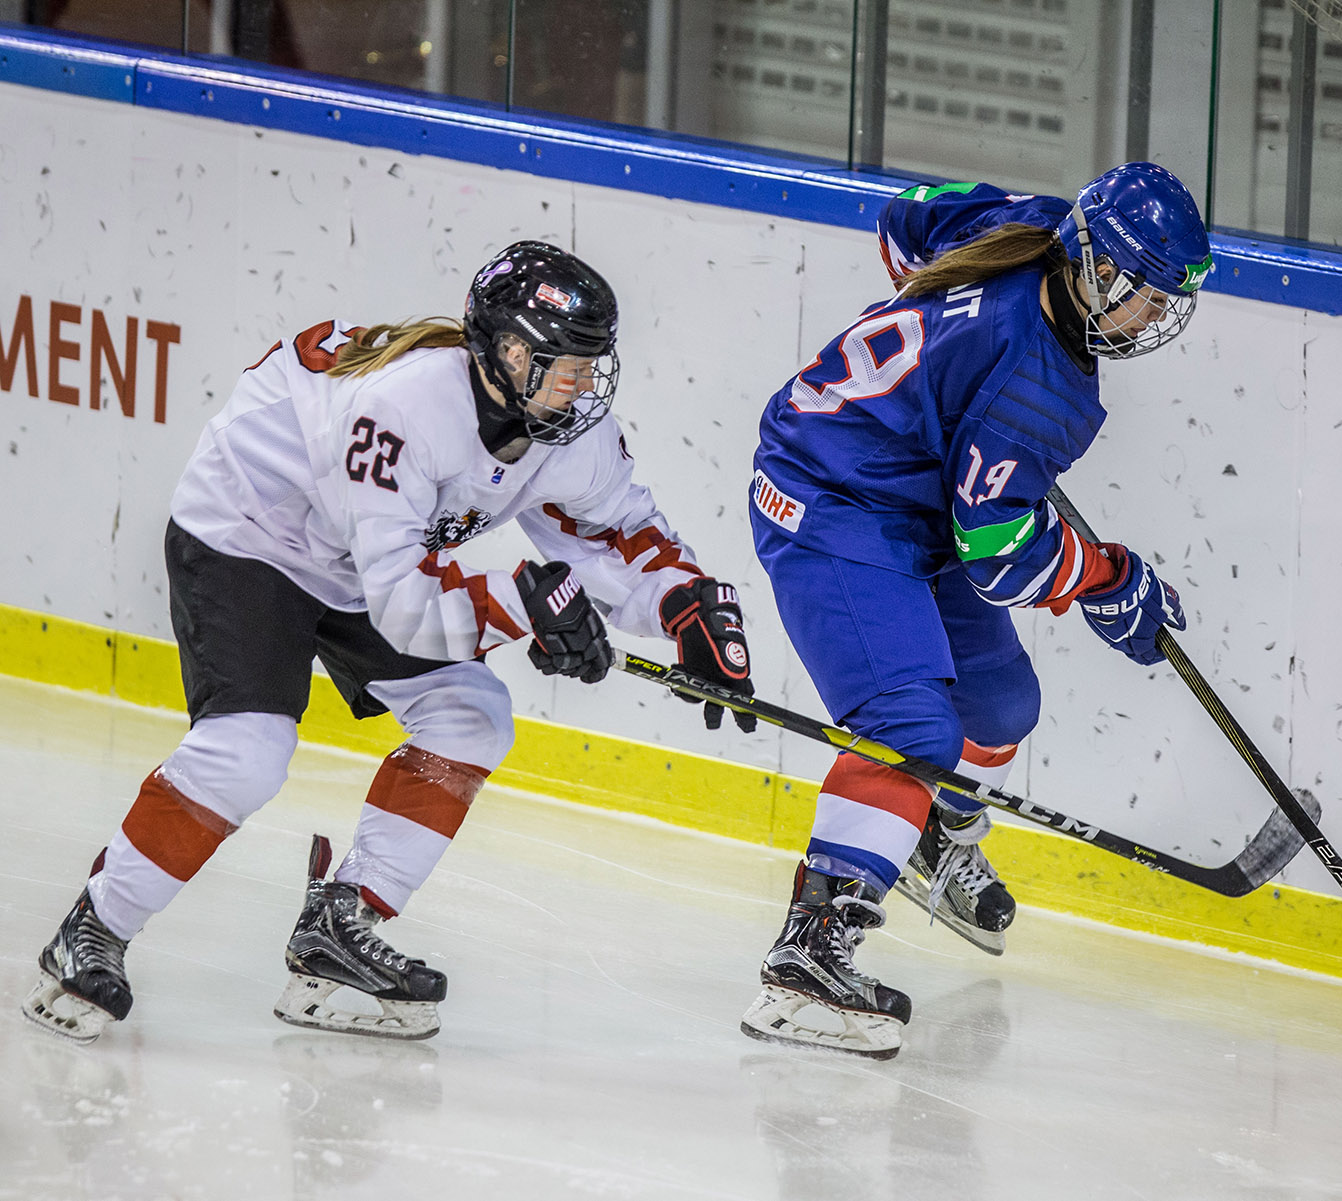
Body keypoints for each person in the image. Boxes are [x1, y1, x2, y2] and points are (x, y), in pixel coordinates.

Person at [21, 240, 755, 1044]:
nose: (585, 385)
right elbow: (403, 608)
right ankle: (93, 924)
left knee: (471, 717)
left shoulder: (561, 424)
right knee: (247, 752)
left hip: (361, 558)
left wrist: (684, 602)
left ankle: (339, 923)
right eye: (566, 361)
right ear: (508, 351)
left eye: (593, 364)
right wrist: (523, 604)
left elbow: (618, 532)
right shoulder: (404, 408)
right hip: (252, 534)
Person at [741, 163, 1213, 1058]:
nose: (1156, 320)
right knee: (912, 728)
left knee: (998, 711)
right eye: (1148, 296)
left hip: (913, 497)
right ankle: (807, 958)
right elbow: (999, 559)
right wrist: (1107, 579)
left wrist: (943, 362)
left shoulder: (1029, 219)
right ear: (1100, 268)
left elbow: (900, 222)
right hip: (831, 496)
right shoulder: (1044, 391)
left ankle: (927, 831)